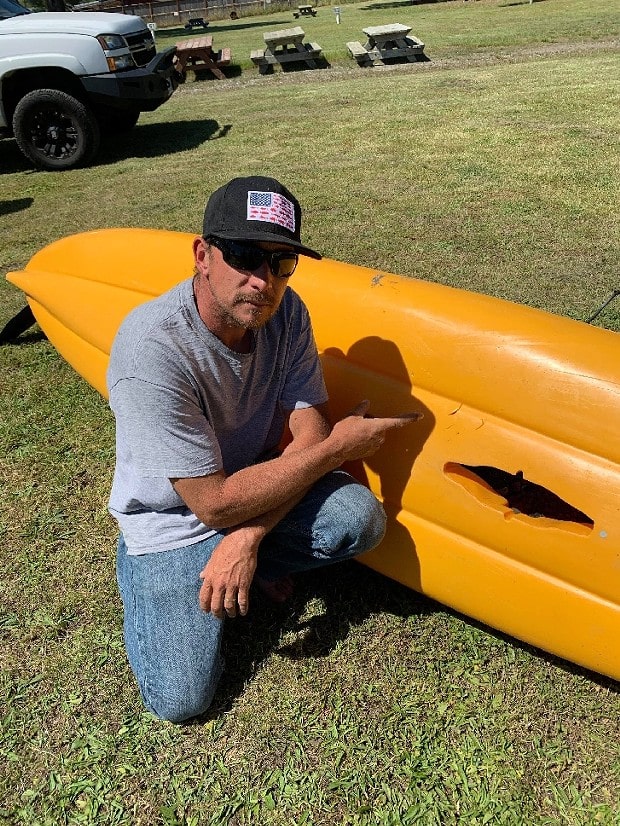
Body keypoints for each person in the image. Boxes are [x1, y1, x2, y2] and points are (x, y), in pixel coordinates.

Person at [107, 176, 420, 723]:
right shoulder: (152, 350)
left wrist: (250, 536)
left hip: (250, 492)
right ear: (203, 255)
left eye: (281, 263)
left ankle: (244, 563)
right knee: (181, 701)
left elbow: (310, 432)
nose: (263, 280)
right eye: (247, 256)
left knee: (358, 519)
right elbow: (212, 505)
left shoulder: (288, 313)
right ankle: (154, 579)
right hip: (173, 521)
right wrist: (333, 452)